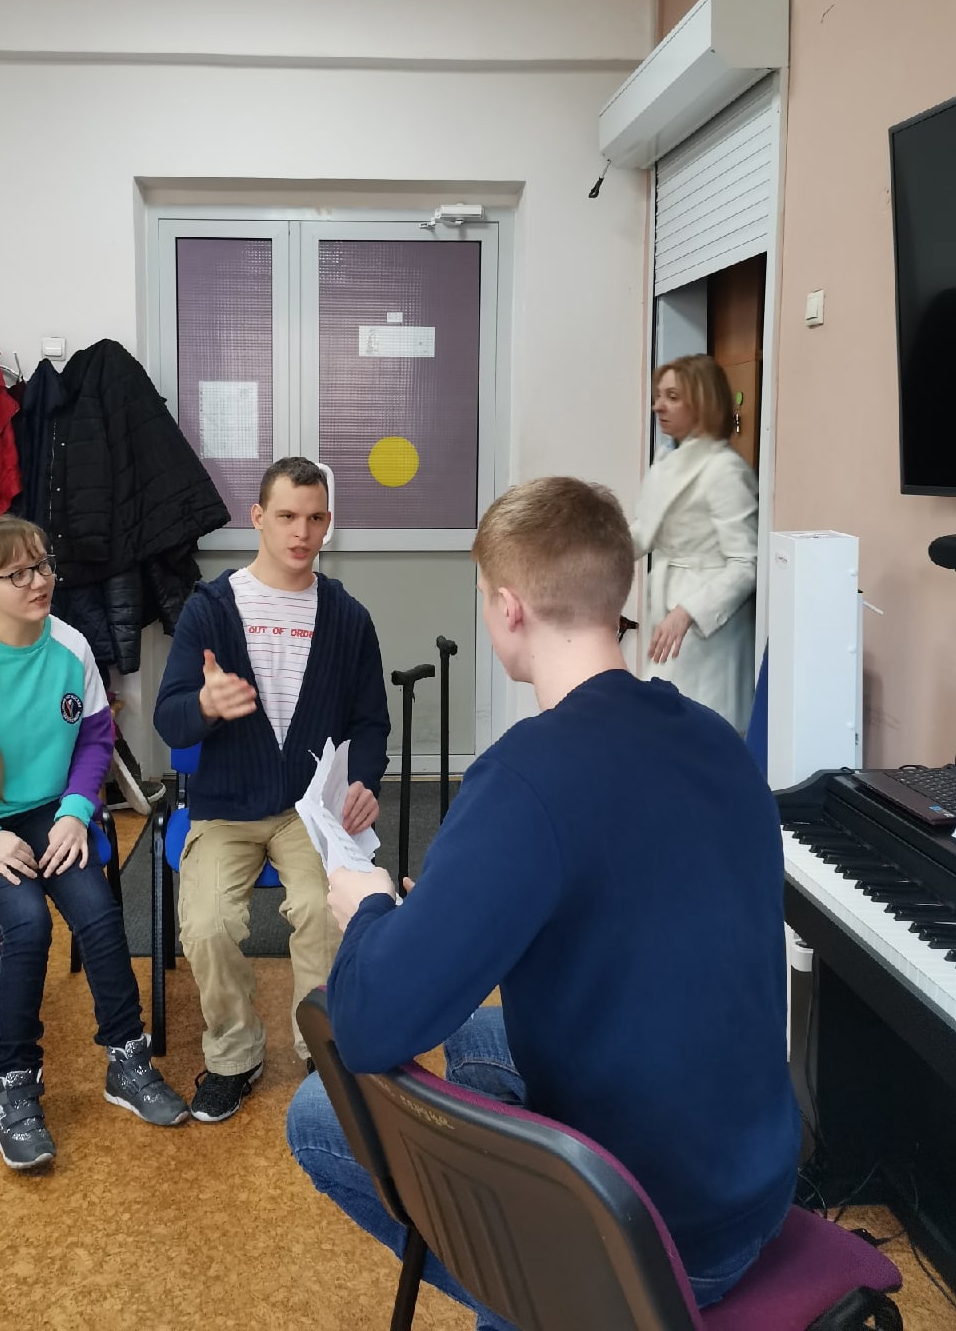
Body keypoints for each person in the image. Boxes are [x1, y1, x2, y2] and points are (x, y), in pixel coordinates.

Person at [286, 477, 799, 1330]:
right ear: (616, 593)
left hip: (654, 1237)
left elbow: (372, 1025)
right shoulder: (716, 737)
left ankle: (547, 1303)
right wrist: (449, 911)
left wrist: (369, 908)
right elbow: (618, 898)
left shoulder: (527, 774)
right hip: (756, 1184)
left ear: (507, 608)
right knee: (477, 1037)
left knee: (318, 1113)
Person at [0, 516, 190, 1172]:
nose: (40, 581)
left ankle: (127, 1060)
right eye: (18, 573)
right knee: (27, 923)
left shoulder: (70, 645)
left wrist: (76, 811)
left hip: (49, 813)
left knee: (98, 914)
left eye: (42, 565)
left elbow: (94, 739)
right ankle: (15, 1087)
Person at [154, 456, 390, 1125]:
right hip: (225, 808)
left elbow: (371, 723)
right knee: (207, 924)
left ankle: (322, 1051)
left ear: (328, 523)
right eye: (286, 516)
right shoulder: (210, 610)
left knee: (324, 909)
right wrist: (204, 705)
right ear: (258, 517)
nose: (301, 532)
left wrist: (365, 780)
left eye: (315, 518)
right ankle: (234, 1057)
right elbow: (169, 718)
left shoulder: (347, 618)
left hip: (308, 812)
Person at [632, 353, 758, 732]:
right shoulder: (668, 462)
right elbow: (643, 531)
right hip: (669, 610)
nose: (658, 406)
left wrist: (688, 611)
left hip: (706, 623)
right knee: (664, 723)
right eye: (658, 395)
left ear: (702, 402)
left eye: (672, 396)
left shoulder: (724, 470)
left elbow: (747, 563)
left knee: (695, 727)